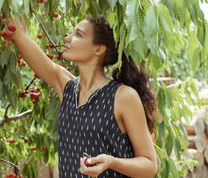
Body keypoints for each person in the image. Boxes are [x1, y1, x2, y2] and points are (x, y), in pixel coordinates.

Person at [10, 15, 158, 178]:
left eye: (78, 35)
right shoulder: (67, 88)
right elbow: (18, 34)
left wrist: (111, 162)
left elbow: (150, 165)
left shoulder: (123, 96)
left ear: (98, 49)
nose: (67, 38)